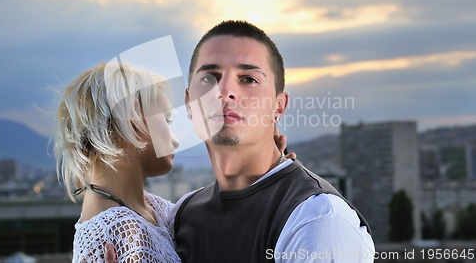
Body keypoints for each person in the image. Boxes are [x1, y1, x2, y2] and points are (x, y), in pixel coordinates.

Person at [107, 20, 375, 262]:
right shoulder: (182, 215)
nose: (224, 92)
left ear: (279, 107)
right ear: (189, 102)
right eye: (208, 77)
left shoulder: (317, 219)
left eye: (248, 79)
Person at [54, 62, 181, 262]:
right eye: (166, 119)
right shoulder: (111, 232)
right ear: (132, 118)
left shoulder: (157, 209)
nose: (176, 140)